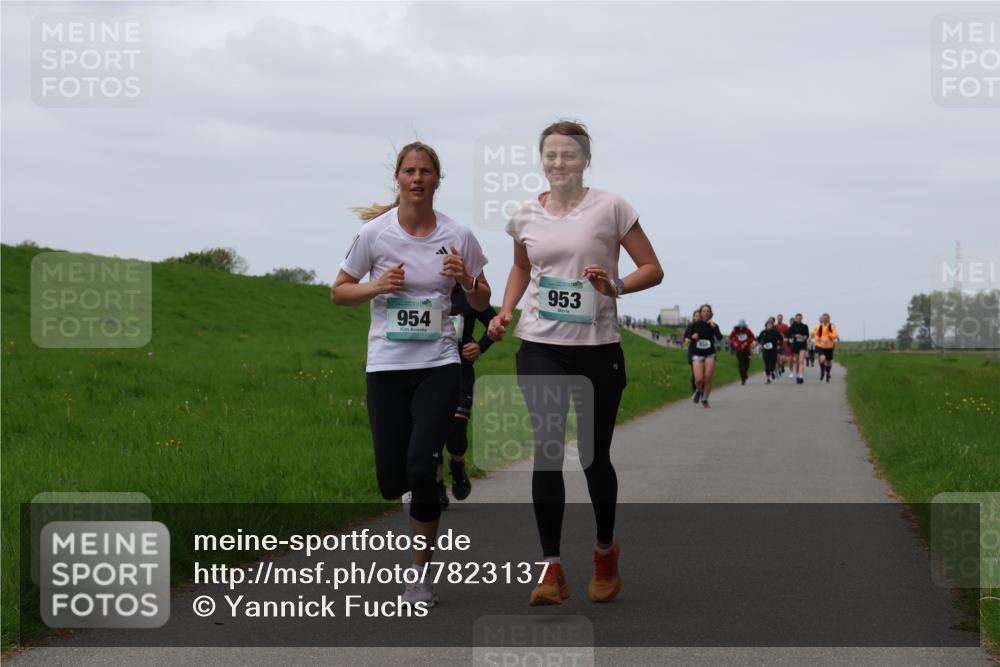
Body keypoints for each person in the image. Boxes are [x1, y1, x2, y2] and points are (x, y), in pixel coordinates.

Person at [487, 120, 663, 606]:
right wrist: (505, 311)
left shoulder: (612, 207)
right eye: (551, 155)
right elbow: (523, 267)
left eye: (569, 155)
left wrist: (615, 286)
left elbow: (653, 267)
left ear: (585, 159)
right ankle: (552, 569)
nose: (559, 163)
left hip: (598, 349)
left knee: (591, 456)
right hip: (540, 344)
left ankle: (605, 551)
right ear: (541, 160)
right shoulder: (524, 214)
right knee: (547, 449)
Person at [331, 142, 491, 607]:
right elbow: (339, 292)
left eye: (425, 171)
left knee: (421, 467)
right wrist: (378, 285)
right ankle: (418, 491)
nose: (417, 178)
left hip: (439, 365)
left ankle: (419, 579)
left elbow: (482, 300)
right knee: (390, 480)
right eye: (409, 171)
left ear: (438, 180)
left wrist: (465, 278)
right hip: (386, 367)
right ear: (397, 179)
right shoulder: (374, 235)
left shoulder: (459, 234)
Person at [437, 283, 497, 509]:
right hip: (429, 371)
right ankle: (437, 485)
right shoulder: (428, 290)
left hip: (460, 372)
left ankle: (458, 463)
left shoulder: (470, 297)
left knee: (454, 431)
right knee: (431, 432)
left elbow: (495, 322)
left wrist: (480, 347)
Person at [685, 304, 723, 407]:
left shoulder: (714, 325)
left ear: (711, 313)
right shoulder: (694, 325)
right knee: (699, 379)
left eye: (708, 311)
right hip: (697, 354)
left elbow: (719, 338)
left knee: (708, 377)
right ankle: (698, 390)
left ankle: (705, 398)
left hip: (710, 354)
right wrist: (692, 338)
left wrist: (714, 327)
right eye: (704, 311)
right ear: (700, 313)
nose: (706, 313)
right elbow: (687, 339)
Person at [813, 313, 840, 382]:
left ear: (829, 319)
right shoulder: (818, 327)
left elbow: (835, 336)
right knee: (822, 359)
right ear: (822, 319)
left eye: (826, 318)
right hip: (820, 346)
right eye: (823, 318)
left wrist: (829, 333)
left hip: (829, 346)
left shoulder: (832, 327)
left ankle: (828, 374)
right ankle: (822, 372)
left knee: (829, 362)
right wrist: (817, 338)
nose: (825, 319)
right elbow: (814, 334)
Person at [728, 319, 755, 385]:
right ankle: (743, 379)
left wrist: (747, 342)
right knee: (741, 364)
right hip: (739, 350)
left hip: (746, 350)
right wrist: (734, 342)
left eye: (742, 326)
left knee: (747, 364)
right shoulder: (735, 331)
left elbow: (752, 337)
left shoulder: (748, 330)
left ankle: (745, 374)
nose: (741, 327)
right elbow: (730, 338)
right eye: (740, 326)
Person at [786, 313, 810, 384]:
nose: (798, 319)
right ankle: (797, 375)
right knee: (797, 362)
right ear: (795, 319)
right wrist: (795, 335)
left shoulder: (805, 326)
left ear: (802, 318)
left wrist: (804, 337)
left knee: (801, 360)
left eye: (800, 318)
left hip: (803, 345)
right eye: (797, 318)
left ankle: (801, 376)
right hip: (795, 345)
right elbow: (789, 334)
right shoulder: (792, 326)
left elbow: (807, 335)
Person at [683, 308, 702, 395]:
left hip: (703, 352)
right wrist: (689, 339)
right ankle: (695, 391)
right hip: (693, 352)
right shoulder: (690, 326)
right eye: (696, 316)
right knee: (695, 373)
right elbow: (686, 338)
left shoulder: (705, 327)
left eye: (699, 316)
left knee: (702, 375)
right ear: (693, 317)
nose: (697, 317)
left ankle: (701, 390)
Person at [758, 317, 782, 383]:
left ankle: (772, 371)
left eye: (770, 325)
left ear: (772, 326)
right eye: (768, 325)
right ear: (765, 326)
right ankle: (768, 378)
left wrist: (779, 345)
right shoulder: (763, 332)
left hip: (773, 350)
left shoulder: (776, 332)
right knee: (766, 364)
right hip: (765, 350)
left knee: (773, 365)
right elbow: (758, 339)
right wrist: (760, 344)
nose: (769, 326)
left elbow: (781, 339)